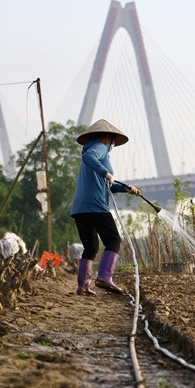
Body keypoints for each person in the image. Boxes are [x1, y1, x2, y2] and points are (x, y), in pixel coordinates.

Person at [70, 119, 141, 296]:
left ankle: (83, 286)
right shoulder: (99, 147)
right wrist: (107, 173)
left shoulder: (96, 152)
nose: (112, 145)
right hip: (95, 205)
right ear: (109, 138)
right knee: (113, 240)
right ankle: (105, 277)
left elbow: (106, 186)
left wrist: (125, 189)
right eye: (113, 142)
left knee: (91, 247)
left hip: (80, 208)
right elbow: (88, 158)